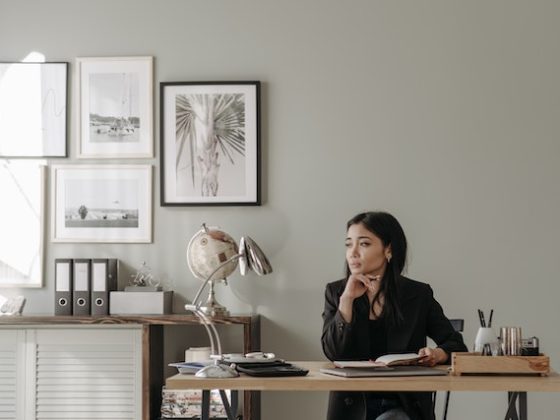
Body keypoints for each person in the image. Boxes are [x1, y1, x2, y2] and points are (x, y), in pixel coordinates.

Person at [321, 211, 467, 420]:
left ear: (388, 248)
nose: (352, 252)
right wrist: (347, 300)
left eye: (363, 244)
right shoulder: (337, 292)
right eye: (348, 244)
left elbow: (456, 345)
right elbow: (333, 352)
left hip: (405, 406)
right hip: (352, 408)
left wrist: (437, 354)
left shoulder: (417, 294)